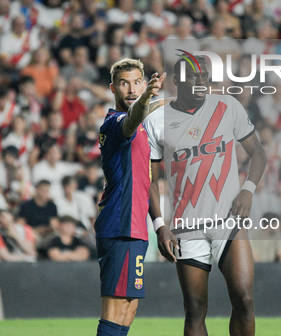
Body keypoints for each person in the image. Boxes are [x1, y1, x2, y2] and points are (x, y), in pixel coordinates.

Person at [146, 54, 267, 336]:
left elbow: (258, 153)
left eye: (205, 77)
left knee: (245, 300)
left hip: (228, 221)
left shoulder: (228, 106)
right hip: (186, 228)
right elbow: (149, 182)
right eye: (194, 77)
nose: (201, 82)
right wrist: (160, 226)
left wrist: (248, 190)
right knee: (195, 310)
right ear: (177, 81)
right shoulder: (157, 122)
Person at [95, 58, 164, 336]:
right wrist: (148, 97)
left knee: (128, 310)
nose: (132, 89)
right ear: (113, 88)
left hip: (135, 227)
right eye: (124, 83)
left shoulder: (144, 127)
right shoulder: (116, 123)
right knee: (114, 310)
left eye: (138, 82)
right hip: (119, 226)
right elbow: (133, 118)